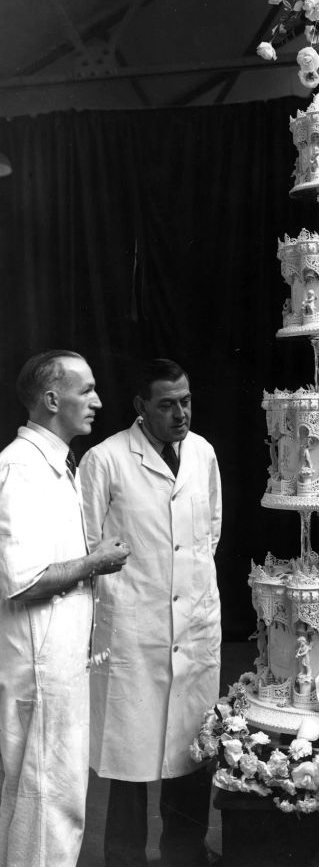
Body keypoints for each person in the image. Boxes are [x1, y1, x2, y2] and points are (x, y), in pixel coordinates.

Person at [80, 359, 222, 867]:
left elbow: (209, 535)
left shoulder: (202, 452)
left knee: (191, 749)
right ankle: (124, 857)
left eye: (185, 400)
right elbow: (88, 546)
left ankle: (185, 853)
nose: (179, 413)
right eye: (166, 404)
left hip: (195, 622)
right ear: (140, 407)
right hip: (133, 631)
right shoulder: (106, 460)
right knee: (130, 754)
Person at [0, 350, 130, 867]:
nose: (97, 401)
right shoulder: (20, 469)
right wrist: (94, 562)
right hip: (39, 670)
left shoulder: (54, 465)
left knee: (57, 800)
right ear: (53, 400)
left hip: (57, 664)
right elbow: (23, 580)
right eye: (86, 390)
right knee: (45, 801)